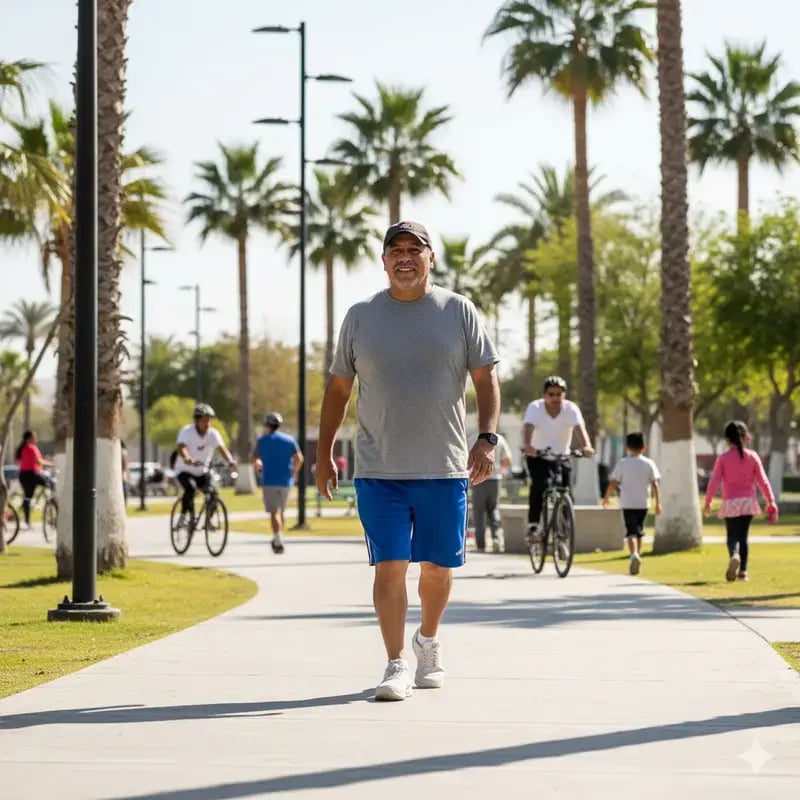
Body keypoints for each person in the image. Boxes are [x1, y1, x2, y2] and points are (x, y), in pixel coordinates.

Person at [316, 220, 500, 702]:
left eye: (413, 249)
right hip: (379, 470)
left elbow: (486, 380)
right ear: (382, 261)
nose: (404, 257)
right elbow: (338, 390)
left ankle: (428, 641)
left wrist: (487, 439)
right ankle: (396, 662)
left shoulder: (458, 311)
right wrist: (323, 454)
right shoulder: (360, 317)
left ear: (430, 258)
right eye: (394, 249)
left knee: (438, 570)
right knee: (390, 566)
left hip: (443, 467)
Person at [522, 376, 594, 542]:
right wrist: (528, 445)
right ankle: (533, 527)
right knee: (539, 486)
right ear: (544, 395)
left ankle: (564, 533)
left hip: (562, 456)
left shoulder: (570, 409)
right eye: (551, 394)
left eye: (559, 394)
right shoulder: (535, 407)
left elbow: (579, 428)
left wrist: (586, 447)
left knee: (566, 492)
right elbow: (528, 427)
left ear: (564, 395)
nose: (555, 398)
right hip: (538, 456)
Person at [704, 420, 776, 582]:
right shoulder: (753, 456)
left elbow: (714, 481)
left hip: (731, 503)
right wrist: (770, 500)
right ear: (744, 437)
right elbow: (763, 480)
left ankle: (734, 554)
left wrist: (708, 501)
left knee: (732, 536)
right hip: (748, 503)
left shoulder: (723, 458)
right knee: (744, 537)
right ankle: (743, 571)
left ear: (727, 439)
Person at [602, 431, 662, 575]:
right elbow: (655, 485)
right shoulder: (649, 463)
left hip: (627, 503)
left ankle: (633, 554)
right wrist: (658, 503)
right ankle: (637, 554)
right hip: (643, 503)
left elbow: (613, 483)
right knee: (639, 531)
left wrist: (606, 498)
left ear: (627, 447)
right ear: (644, 448)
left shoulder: (623, 463)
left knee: (631, 532)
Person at [174, 404, 237, 529]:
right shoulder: (187, 431)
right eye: (204, 420)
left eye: (209, 420)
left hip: (202, 470)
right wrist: (187, 458)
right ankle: (184, 518)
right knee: (190, 489)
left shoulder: (213, 434)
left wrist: (230, 461)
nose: (207, 423)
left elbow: (222, 449)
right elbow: (182, 447)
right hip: (185, 470)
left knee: (213, 494)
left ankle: (208, 521)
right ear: (196, 420)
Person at [252, 412, 303, 554]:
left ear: (268, 425)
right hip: (286, 481)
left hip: (269, 481)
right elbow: (299, 458)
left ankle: (278, 537)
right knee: (281, 511)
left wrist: (259, 467)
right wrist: (294, 472)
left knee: (274, 512)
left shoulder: (262, 441)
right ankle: (278, 538)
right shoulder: (289, 440)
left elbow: (255, 459)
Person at [470, 430, 513, 553]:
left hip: (478, 478)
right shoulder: (499, 439)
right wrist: (496, 466)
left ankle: (481, 544)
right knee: (493, 509)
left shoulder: (474, 438)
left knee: (479, 511)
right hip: (495, 480)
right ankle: (497, 539)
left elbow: (465, 458)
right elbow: (508, 461)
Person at [15, 430, 52, 528]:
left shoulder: (22, 448)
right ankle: (49, 503)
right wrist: (52, 464)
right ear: (29, 439)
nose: (36, 438)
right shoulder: (32, 448)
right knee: (49, 483)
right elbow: (39, 462)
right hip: (32, 474)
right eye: (34, 436)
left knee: (28, 497)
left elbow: (20, 462)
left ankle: (27, 520)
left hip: (23, 475)